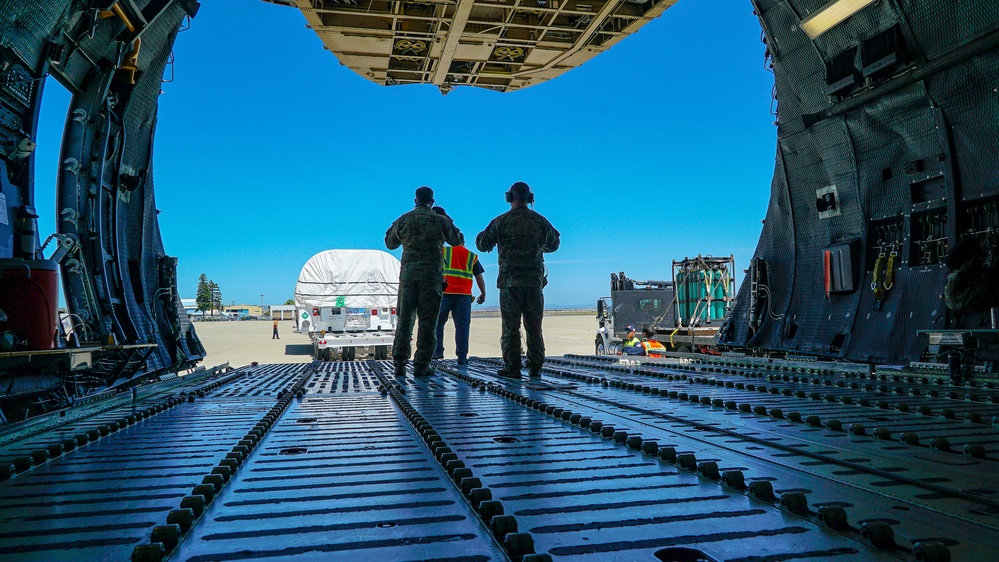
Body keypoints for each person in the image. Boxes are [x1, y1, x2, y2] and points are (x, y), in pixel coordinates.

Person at [476, 181, 560, 378]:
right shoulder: (540, 221)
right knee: (534, 327)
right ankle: (535, 367)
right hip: (533, 284)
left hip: (509, 283)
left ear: (509, 198)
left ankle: (513, 367)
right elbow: (554, 244)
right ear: (530, 198)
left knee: (510, 327)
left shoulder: (500, 221)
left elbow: (482, 244)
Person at [385, 187, 464, 377]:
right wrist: (447, 219)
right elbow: (458, 240)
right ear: (432, 202)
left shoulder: (404, 220)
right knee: (428, 323)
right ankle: (421, 365)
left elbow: (390, 243)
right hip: (431, 279)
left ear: (415, 201)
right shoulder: (439, 221)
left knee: (405, 321)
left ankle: (400, 364)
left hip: (409, 279)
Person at [432, 207, 486, 365]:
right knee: (462, 327)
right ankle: (462, 357)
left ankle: (437, 352)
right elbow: (479, 276)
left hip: (444, 293)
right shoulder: (471, 255)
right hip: (463, 296)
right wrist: (483, 294)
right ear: (464, 242)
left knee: (438, 324)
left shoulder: (442, 251)